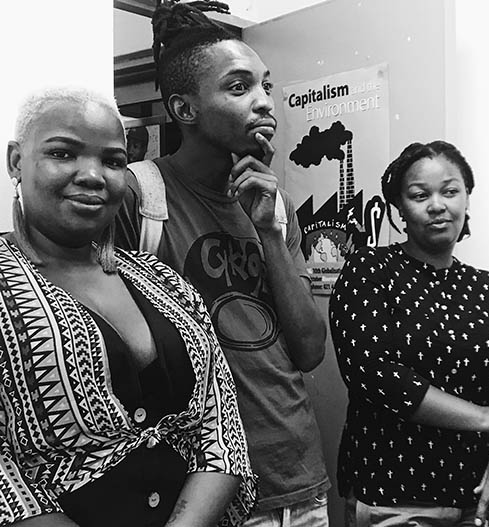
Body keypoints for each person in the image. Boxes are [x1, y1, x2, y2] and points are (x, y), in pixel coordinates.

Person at [114, 1, 330, 525]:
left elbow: (308, 351)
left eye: (266, 86)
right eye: (239, 87)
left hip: (298, 476)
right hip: (199, 489)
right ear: (184, 109)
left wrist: (269, 232)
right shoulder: (137, 195)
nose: (264, 102)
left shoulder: (277, 207)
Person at [0, 86, 256, 527]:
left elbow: (221, 425)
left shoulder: (161, 280)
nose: (92, 175)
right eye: (62, 153)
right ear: (16, 161)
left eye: (113, 161)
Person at [329, 140, 489, 527]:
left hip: (485, 501)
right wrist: (486, 417)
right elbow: (373, 373)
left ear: (467, 199)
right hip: (396, 501)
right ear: (400, 208)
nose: (437, 205)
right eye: (420, 195)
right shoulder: (370, 269)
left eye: (450, 191)